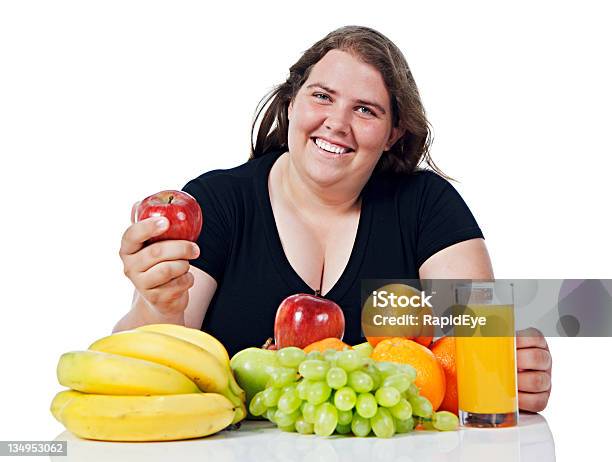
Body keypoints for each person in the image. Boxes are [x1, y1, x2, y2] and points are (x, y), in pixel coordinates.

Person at [114, 26, 552, 413]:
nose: (337, 123)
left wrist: (514, 370)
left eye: (366, 110)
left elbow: (471, 342)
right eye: (322, 96)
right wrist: (156, 305)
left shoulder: (427, 206)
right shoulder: (218, 201)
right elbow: (141, 369)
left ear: (393, 133)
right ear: (291, 103)